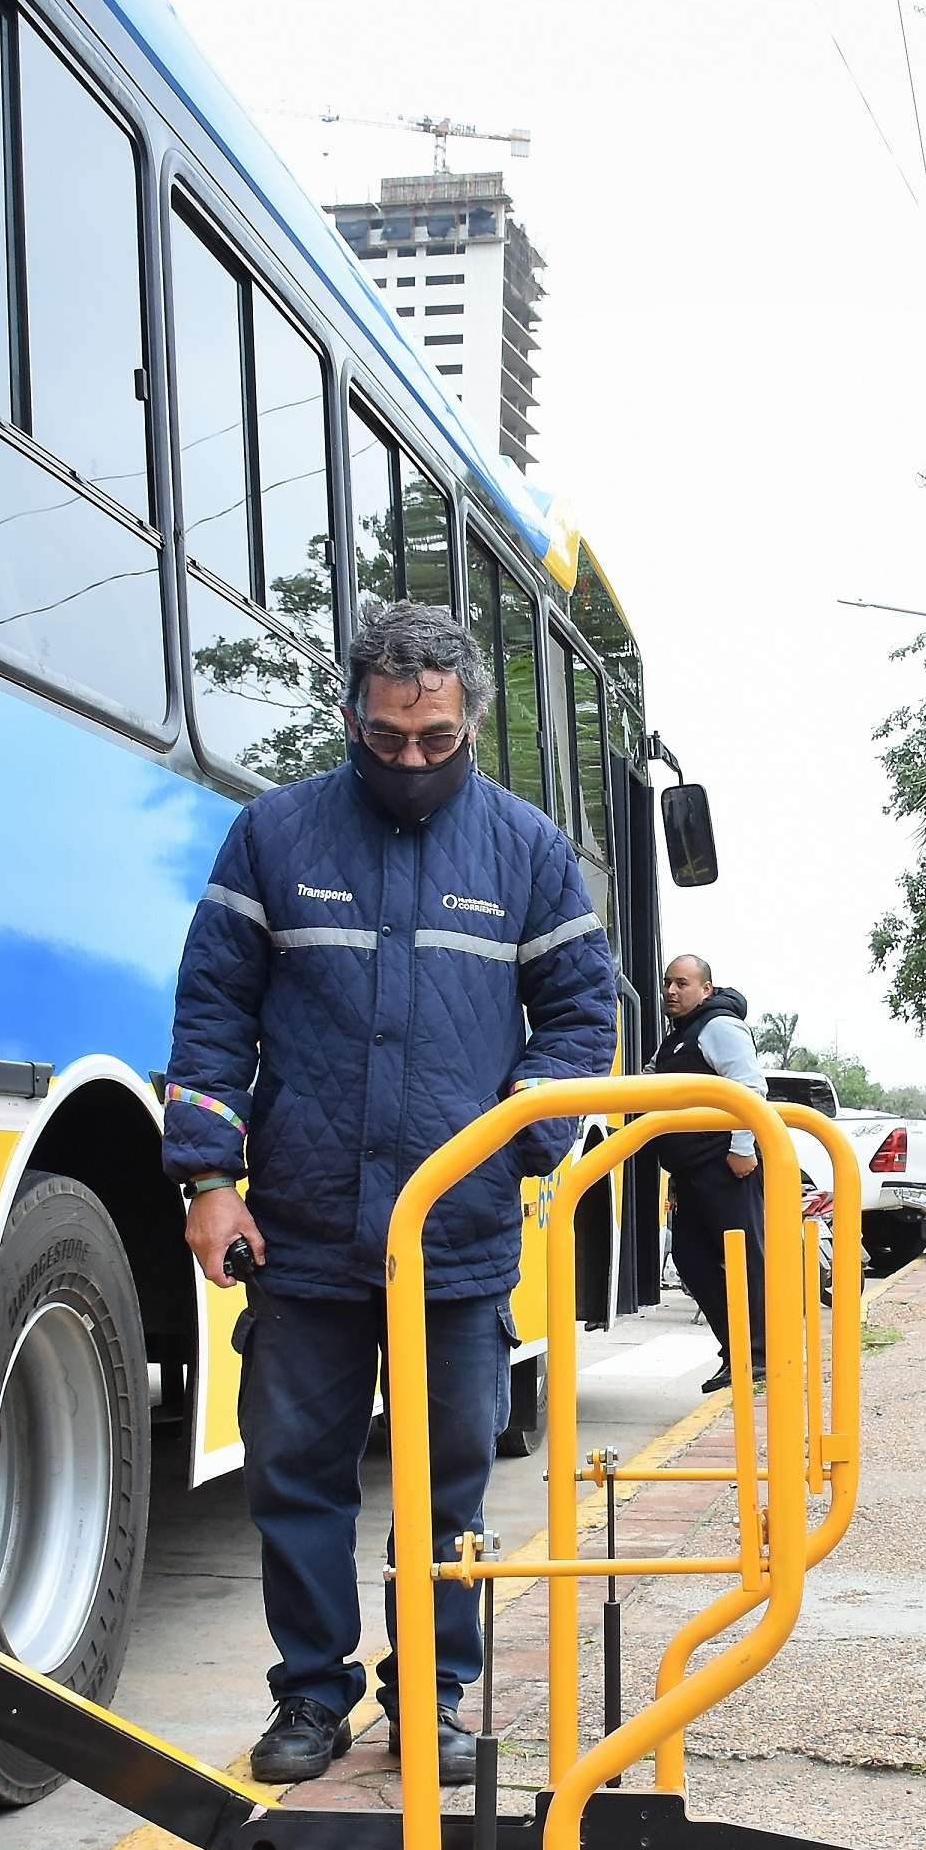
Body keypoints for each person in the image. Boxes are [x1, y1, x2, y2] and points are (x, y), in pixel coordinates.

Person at [162, 600, 617, 1787]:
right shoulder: (273, 837)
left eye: (435, 742)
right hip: (305, 1234)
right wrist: (210, 1181)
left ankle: (434, 1699)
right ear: (353, 719)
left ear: (469, 723)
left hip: (457, 1244)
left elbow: (580, 1014)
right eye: (386, 740)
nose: (410, 762)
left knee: (444, 1484)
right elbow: (211, 1016)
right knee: (296, 1476)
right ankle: (311, 1700)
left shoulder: (527, 851)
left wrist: (531, 1136)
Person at [650, 954, 770, 1394]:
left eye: (681, 983)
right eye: (667, 983)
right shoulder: (677, 1037)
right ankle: (738, 1351)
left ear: (706, 989)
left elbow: (750, 1088)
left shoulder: (718, 1026)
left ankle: (758, 1355)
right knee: (691, 1260)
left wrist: (742, 1148)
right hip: (689, 1172)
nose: (671, 991)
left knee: (743, 1260)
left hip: (723, 1166)